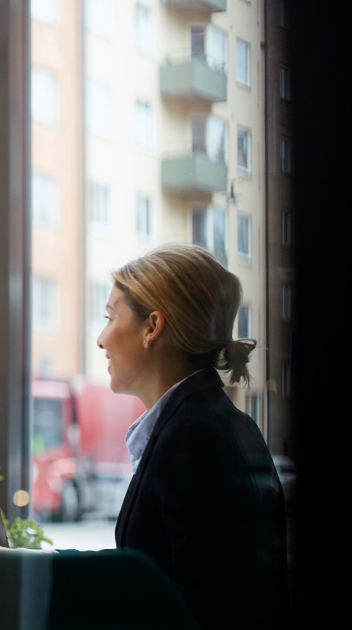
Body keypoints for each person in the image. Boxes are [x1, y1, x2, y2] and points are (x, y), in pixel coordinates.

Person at [91, 244, 287, 628]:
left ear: (152, 327)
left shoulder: (194, 438)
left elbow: (202, 607)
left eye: (110, 317)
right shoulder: (206, 423)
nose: (101, 339)